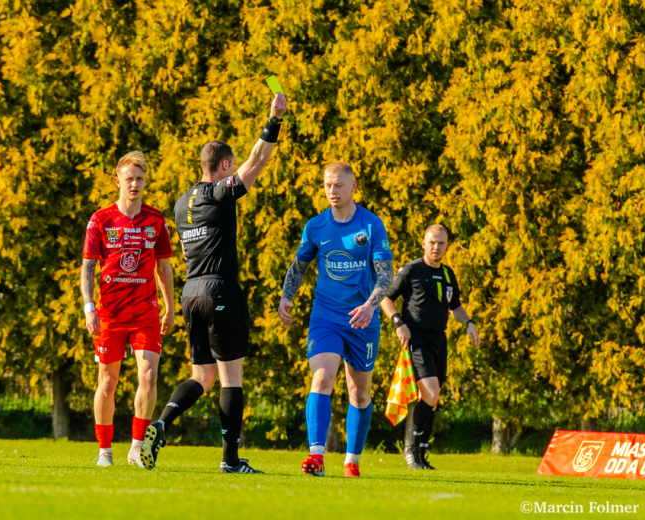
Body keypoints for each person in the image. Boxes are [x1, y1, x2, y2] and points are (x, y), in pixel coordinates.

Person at [141, 92, 288, 474]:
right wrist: (274, 120)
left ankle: (160, 424)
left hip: (191, 294)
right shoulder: (221, 194)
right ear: (224, 165)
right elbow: (259, 160)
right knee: (230, 379)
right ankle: (230, 461)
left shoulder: (179, 202)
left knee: (201, 375)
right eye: (231, 166)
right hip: (220, 290)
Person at [277, 162, 393, 478]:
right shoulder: (315, 226)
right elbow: (299, 265)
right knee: (322, 378)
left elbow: (385, 276)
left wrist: (371, 306)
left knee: (359, 393)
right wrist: (287, 294)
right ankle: (316, 456)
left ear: (353, 186)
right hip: (325, 316)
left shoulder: (371, 226)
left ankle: (352, 460)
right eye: (328, 185)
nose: (332, 191)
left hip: (362, 319)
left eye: (339, 185)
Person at [80, 151, 175, 467]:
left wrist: (170, 308)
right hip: (109, 313)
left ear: (145, 182)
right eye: (129, 178)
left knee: (148, 376)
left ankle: (136, 448)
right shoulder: (101, 219)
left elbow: (164, 268)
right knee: (107, 382)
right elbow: (88, 269)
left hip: (146, 311)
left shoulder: (155, 220)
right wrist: (88, 307)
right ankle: (104, 451)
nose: (134, 184)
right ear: (117, 180)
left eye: (140, 178)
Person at [379, 224, 481, 470]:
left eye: (441, 243)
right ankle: (411, 450)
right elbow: (385, 297)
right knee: (431, 392)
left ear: (447, 246)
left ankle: (422, 454)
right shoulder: (411, 270)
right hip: (417, 338)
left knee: (432, 400)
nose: (436, 247)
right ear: (423, 243)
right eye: (432, 242)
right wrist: (398, 322)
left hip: (439, 339)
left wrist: (468, 322)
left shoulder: (447, 274)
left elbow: (454, 306)